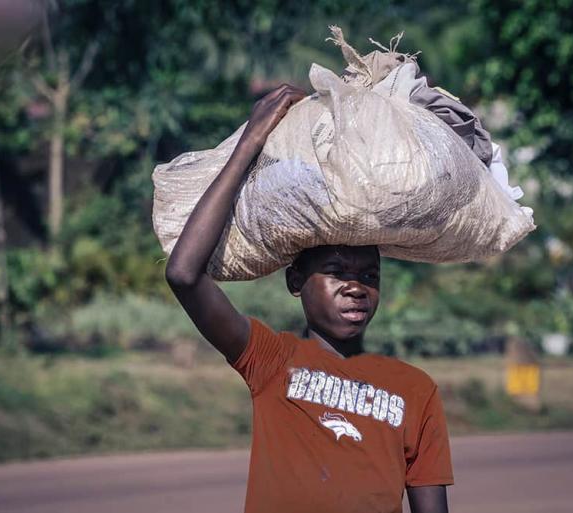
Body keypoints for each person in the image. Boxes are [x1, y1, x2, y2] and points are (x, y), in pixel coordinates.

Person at [165, 85, 453, 513]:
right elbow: (184, 274)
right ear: (295, 280)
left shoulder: (415, 389)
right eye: (336, 273)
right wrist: (251, 143)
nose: (356, 287)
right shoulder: (270, 360)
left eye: (369, 276)